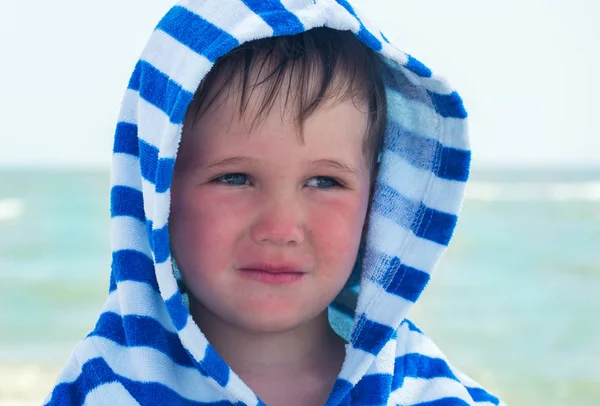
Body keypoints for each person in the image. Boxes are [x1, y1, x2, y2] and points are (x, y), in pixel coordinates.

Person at [45, 1, 503, 405]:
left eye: (324, 181)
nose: (281, 227)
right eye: (235, 177)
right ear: (159, 192)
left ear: (377, 199)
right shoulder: (104, 387)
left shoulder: (429, 393)